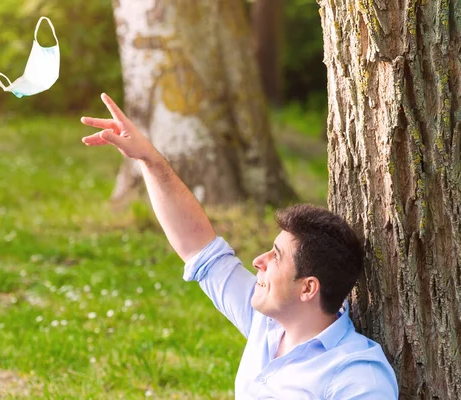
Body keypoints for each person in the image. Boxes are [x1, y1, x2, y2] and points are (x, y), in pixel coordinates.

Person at [81, 93, 399, 399]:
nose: (259, 260)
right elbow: (198, 247)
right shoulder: (268, 323)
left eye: (276, 257)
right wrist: (149, 159)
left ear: (308, 288)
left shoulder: (356, 376)